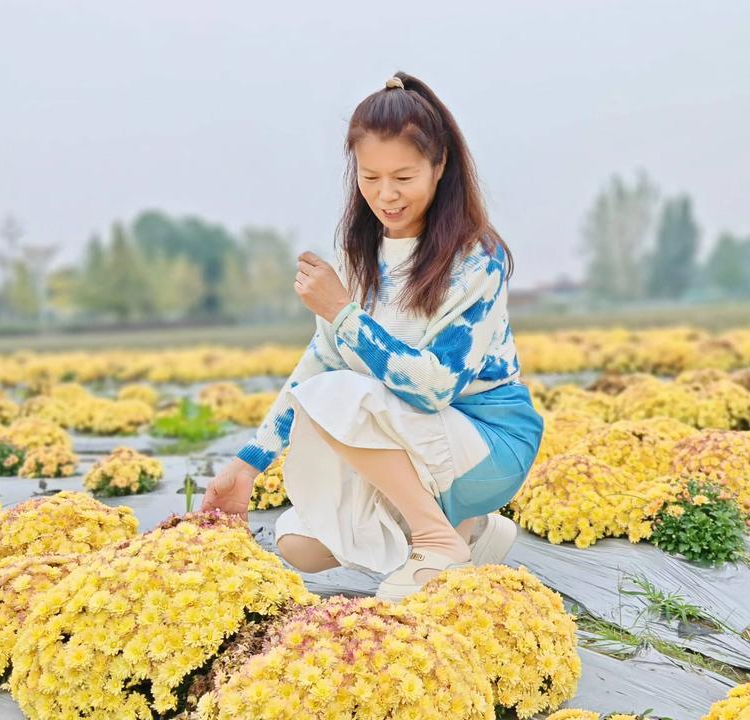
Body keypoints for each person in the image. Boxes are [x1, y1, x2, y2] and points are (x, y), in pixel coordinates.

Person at [200, 71, 543, 602]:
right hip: (417, 441)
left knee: (341, 394)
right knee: (299, 542)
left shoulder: (476, 259)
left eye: (403, 177)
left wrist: (342, 313)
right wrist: (248, 465)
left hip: (488, 442)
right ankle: (469, 532)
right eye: (370, 177)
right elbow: (318, 364)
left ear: (440, 165)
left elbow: (434, 388)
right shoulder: (357, 260)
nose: (386, 195)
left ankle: (437, 539)